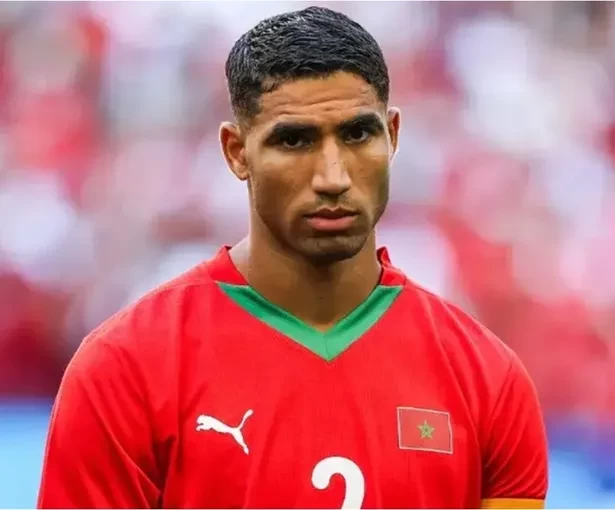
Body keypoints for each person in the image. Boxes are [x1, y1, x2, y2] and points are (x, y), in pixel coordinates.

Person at [37, 7, 548, 509]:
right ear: (236, 152)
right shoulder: (125, 368)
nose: (333, 177)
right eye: (294, 140)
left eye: (357, 134)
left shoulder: (488, 381)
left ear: (392, 135)